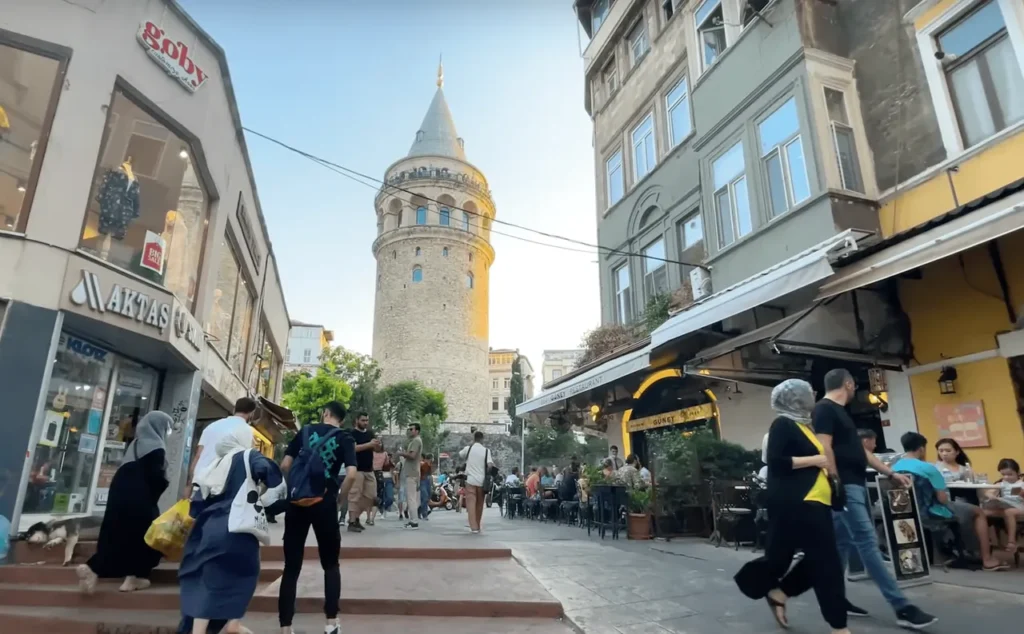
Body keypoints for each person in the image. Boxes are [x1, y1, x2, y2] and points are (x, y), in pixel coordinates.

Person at [813, 368, 936, 629]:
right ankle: (902, 607)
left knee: (841, 546)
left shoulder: (841, 413)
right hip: (845, 486)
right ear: (847, 383)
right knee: (867, 542)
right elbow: (823, 446)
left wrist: (890, 472)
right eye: (853, 385)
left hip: (852, 485)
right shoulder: (824, 409)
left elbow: (862, 451)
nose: (854, 390)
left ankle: (834, 600)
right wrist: (835, 481)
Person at [733, 379, 848, 634]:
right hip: (799, 502)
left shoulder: (805, 425)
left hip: (816, 500)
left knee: (814, 559)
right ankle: (839, 626)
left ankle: (780, 592)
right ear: (796, 398)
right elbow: (777, 462)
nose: (814, 395)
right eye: (809, 393)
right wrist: (816, 460)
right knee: (824, 562)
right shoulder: (782, 424)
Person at [178, 424, 283, 634]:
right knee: (245, 574)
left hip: (209, 530)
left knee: (208, 580)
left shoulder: (213, 466)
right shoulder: (247, 456)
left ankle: (198, 631)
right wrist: (258, 486)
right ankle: (233, 623)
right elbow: (269, 473)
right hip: (238, 528)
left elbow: (196, 505)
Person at [278, 401, 358, 634]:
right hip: (325, 503)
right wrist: (340, 498)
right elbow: (351, 474)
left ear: (325, 414)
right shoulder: (345, 438)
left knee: (291, 567)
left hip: (297, 503)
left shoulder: (304, 432)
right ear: (341, 419)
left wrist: (296, 485)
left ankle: (286, 627)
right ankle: (331, 624)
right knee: (330, 564)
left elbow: (285, 464)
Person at [78, 411, 171, 593]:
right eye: (167, 428)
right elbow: (156, 477)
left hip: (119, 493)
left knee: (117, 534)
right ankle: (135, 577)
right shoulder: (156, 447)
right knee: (149, 536)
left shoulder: (135, 445)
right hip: (140, 497)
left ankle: (93, 568)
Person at [892, 432, 1006, 570]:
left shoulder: (894, 468)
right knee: (978, 512)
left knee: (964, 509)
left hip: (905, 512)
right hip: (930, 511)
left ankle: (964, 551)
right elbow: (942, 498)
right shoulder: (928, 468)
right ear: (922, 448)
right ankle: (987, 559)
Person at [184, 398, 257, 497]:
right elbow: (244, 461)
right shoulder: (246, 430)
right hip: (219, 489)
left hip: (198, 485)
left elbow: (198, 455)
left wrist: (189, 484)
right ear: (252, 413)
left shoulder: (212, 426)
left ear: (234, 409)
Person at [347, 411, 382, 532]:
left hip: (369, 468)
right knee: (354, 495)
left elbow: (376, 450)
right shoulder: (351, 433)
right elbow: (353, 448)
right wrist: (369, 444)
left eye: (367, 420)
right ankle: (352, 521)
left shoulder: (370, 433)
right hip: (356, 468)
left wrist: (377, 445)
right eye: (363, 420)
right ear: (356, 420)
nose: (365, 423)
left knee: (371, 496)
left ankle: (356, 518)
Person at [983, 458, 1024, 551]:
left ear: (1017, 472)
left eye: (1010, 474)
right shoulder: (1002, 483)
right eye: (1003, 474)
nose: (1006, 477)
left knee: (1009, 512)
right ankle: (985, 540)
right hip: (1004, 505)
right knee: (983, 512)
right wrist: (991, 495)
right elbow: (989, 492)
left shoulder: (1021, 483)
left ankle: (1011, 542)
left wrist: (1021, 493)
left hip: (1019, 506)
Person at [459, 430, 495, 534]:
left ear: (473, 438)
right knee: (479, 504)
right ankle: (478, 525)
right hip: (481, 481)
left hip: (470, 480)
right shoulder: (486, 451)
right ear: (482, 439)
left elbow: (460, 454)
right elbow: (490, 465)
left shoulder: (468, 449)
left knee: (471, 504)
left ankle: (473, 527)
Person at [397, 423, 423, 529]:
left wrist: (402, 453)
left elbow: (412, 455)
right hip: (413, 472)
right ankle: (413, 520)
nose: (410, 431)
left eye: (411, 429)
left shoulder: (416, 441)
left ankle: (414, 521)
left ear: (417, 431)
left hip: (412, 472)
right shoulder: (415, 441)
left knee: (411, 498)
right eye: (409, 429)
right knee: (411, 497)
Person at [378, 451, 395, 517]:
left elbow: (392, 472)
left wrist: (394, 482)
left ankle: (385, 507)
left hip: (389, 480)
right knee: (381, 496)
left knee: (390, 498)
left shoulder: (391, 464)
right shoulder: (380, 463)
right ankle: (381, 509)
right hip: (381, 479)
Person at [419, 453, 433, 521]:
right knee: (425, 497)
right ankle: (424, 513)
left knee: (428, 496)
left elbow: (430, 474)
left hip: (427, 481)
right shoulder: (422, 464)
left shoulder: (429, 465)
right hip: (422, 481)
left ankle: (420, 510)